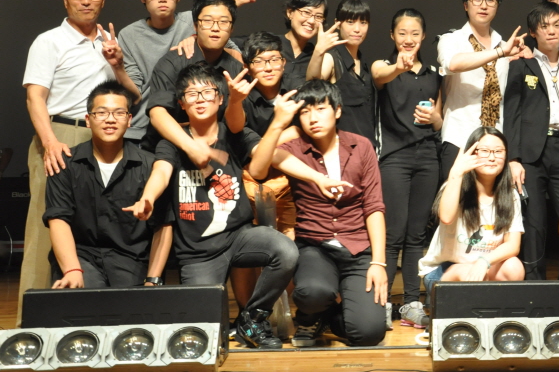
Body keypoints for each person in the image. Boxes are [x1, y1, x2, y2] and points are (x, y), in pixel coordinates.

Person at [129, 62, 299, 348]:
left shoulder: (233, 135)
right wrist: (148, 197)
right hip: (198, 252)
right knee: (203, 336)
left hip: (239, 235)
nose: (200, 99)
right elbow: (161, 172)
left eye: (207, 92)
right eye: (191, 94)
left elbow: (259, 157)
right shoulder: (173, 141)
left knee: (285, 250)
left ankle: (252, 318)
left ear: (220, 99)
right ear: (181, 103)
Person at [19, 0, 140, 323]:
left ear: (103, 0)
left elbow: (133, 97)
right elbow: (35, 97)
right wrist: (50, 142)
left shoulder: (108, 42)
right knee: (46, 228)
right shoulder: (49, 41)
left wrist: (118, 65)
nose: (86, 0)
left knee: (96, 227)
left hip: (104, 136)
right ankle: (31, 322)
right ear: (65, 0)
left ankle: (87, 316)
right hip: (62, 135)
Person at [249, 80, 388, 348]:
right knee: (312, 292)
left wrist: (378, 263)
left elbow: (374, 206)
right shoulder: (294, 148)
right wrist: (278, 124)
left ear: (337, 110)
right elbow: (257, 169)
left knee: (368, 333)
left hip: (358, 248)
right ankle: (312, 315)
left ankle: (331, 316)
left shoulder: (361, 146)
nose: (313, 118)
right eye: (305, 112)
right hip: (315, 246)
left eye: (321, 109)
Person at [45, 81, 172, 288]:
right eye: (101, 113)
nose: (110, 120)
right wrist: (72, 270)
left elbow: (163, 225)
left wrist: (153, 280)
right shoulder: (65, 164)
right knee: (82, 297)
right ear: (88, 120)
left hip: (132, 260)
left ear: (129, 120)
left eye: (119, 113)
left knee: (130, 306)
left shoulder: (150, 166)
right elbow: (58, 219)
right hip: (81, 257)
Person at [117, 0, 255, 148]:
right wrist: (117, 66)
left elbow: (217, 20)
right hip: (158, 132)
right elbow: (151, 107)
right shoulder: (163, 57)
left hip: (217, 143)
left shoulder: (192, 23)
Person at [370, 9, 444, 329]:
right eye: (402, 33)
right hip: (394, 158)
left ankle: (412, 302)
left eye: (415, 33)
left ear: (423, 36)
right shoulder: (383, 66)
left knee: (416, 235)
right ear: (392, 35)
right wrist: (397, 67)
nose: (408, 39)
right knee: (392, 235)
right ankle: (383, 303)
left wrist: (435, 119)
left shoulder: (434, 74)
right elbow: (379, 76)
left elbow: (440, 121)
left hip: (427, 158)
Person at [503, 2, 559, 280]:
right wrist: (513, 158)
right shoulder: (521, 65)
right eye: (544, 26)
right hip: (531, 152)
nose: (551, 31)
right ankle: (533, 286)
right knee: (534, 222)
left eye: (557, 25)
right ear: (533, 33)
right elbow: (511, 113)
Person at [435, 0, 526, 182]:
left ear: (497, 5)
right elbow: (453, 64)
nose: (483, 5)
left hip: (495, 144)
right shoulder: (450, 39)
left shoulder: (506, 45)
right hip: (459, 138)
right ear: (465, 5)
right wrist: (500, 53)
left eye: (490, 0)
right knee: (454, 201)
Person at [146, 0, 249, 167]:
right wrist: (192, 147)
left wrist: (235, 101)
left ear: (232, 28)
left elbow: (236, 126)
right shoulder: (172, 63)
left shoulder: (236, 69)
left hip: (219, 156)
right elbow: (157, 113)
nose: (215, 28)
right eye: (207, 21)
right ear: (195, 26)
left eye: (223, 22)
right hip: (169, 154)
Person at [418, 127, 524, 290]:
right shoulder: (455, 185)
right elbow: (446, 217)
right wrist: (456, 173)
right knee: (471, 275)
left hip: (483, 266)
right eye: (485, 151)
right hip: (443, 271)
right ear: (471, 154)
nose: (492, 157)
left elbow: (513, 245)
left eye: (498, 151)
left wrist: (484, 261)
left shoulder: (510, 195)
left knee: (514, 267)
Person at [239, 32, 297, 239]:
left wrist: (268, 143)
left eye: (274, 59)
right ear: (247, 67)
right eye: (259, 61)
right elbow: (255, 162)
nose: (269, 67)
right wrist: (282, 130)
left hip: (294, 175)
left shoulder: (296, 89)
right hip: (252, 181)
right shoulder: (241, 97)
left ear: (284, 62)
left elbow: (304, 130)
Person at [308, 0, 377, 148]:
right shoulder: (332, 57)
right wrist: (318, 51)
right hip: (342, 148)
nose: (357, 29)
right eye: (350, 22)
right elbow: (313, 83)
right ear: (337, 24)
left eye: (363, 22)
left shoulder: (364, 63)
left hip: (368, 148)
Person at [279, 0, 328, 89]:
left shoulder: (319, 58)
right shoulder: (270, 45)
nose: (311, 21)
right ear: (290, 13)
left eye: (318, 16)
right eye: (306, 12)